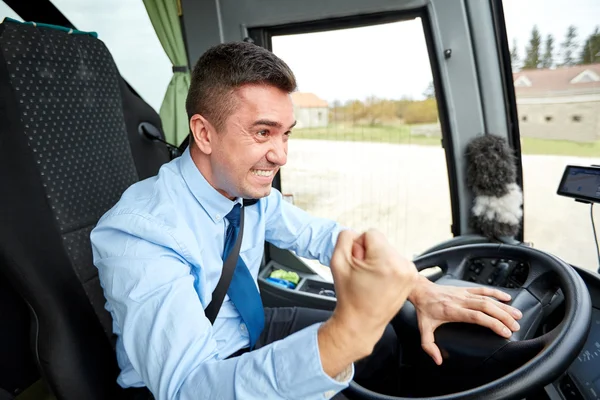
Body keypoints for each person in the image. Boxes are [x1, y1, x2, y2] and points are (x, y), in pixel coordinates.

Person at [90, 42, 523, 400]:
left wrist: (417, 287)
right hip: (192, 375)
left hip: (245, 328)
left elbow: (321, 234)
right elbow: (187, 388)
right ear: (204, 133)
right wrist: (343, 337)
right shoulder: (140, 233)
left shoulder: (244, 190)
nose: (281, 155)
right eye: (262, 133)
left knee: (387, 341)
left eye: (286, 133)